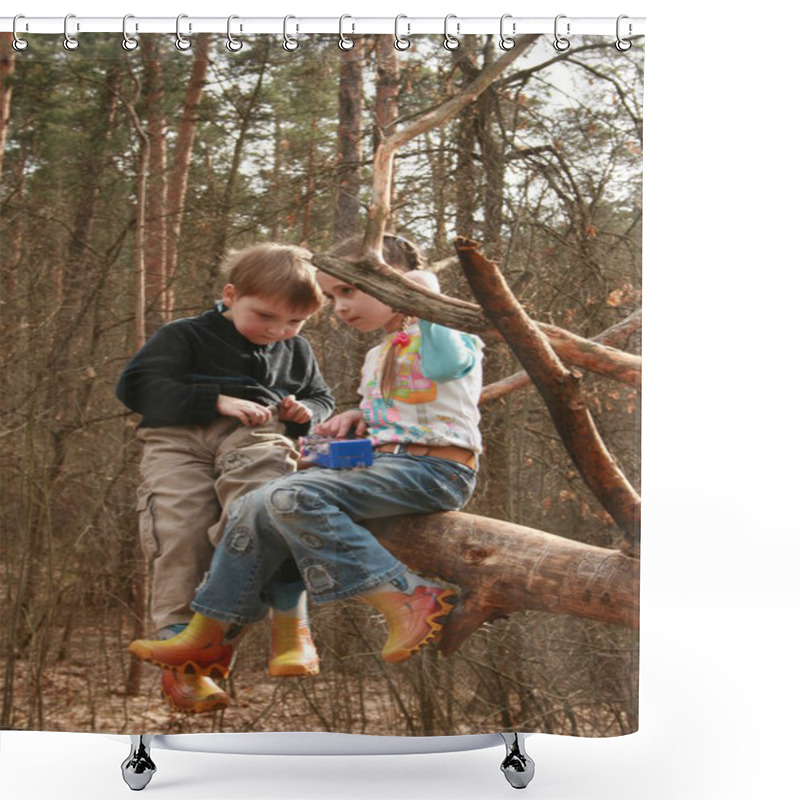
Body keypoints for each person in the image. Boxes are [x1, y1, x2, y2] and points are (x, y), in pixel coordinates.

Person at [127, 234, 482, 684]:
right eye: (332, 295)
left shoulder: (445, 332)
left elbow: (447, 367)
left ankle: (405, 594)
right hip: (389, 464)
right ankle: (207, 630)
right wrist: (353, 417)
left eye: (348, 291)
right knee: (259, 503)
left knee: (283, 497)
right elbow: (403, 410)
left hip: (435, 469)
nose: (338, 307)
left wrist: (426, 298)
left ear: (399, 285)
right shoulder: (378, 353)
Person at [117, 242, 335, 713]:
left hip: (254, 438)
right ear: (231, 294)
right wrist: (215, 399)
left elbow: (320, 398)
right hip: (176, 441)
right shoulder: (185, 335)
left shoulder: (295, 349)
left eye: (294, 322)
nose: (277, 331)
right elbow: (135, 387)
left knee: (264, 509)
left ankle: (289, 622)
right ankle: (184, 658)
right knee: (180, 529)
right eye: (265, 316)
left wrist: (305, 413)